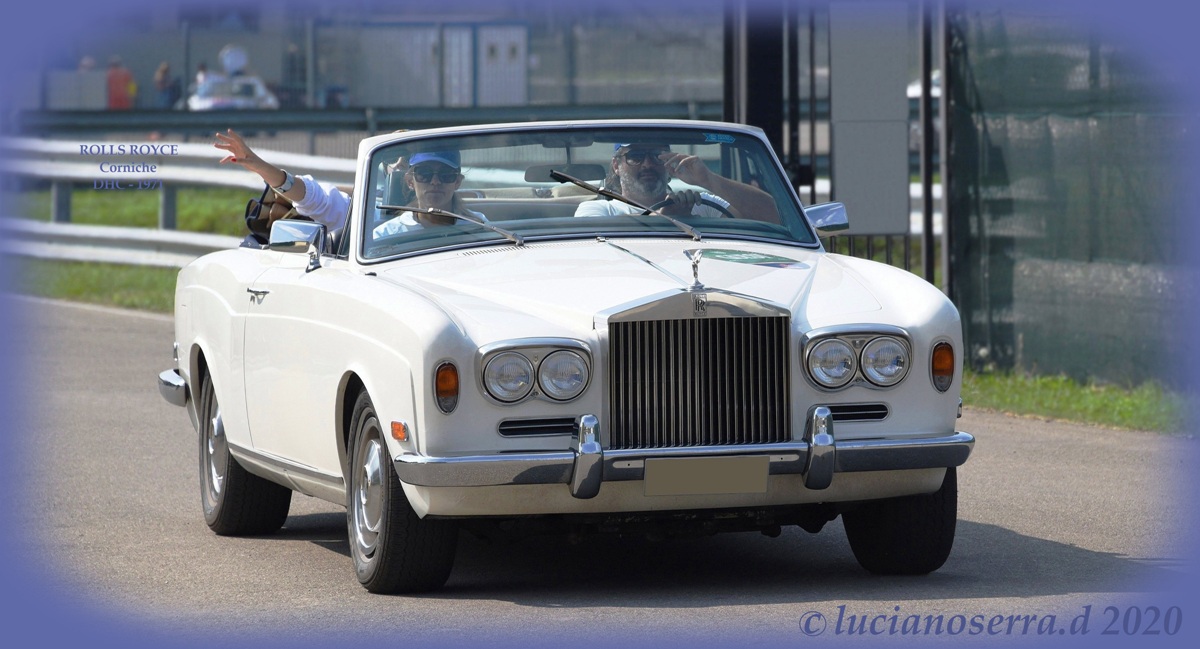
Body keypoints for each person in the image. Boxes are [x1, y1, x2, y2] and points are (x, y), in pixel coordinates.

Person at [214, 129, 482, 238]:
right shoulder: (370, 220)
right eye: (423, 173)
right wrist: (257, 163)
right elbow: (310, 195)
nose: (434, 182)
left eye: (445, 175)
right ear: (411, 179)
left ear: (456, 181)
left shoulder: (477, 223)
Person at [575, 143, 778, 223]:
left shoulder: (700, 204)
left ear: (668, 162)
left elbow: (775, 216)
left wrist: (708, 179)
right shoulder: (597, 210)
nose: (647, 164)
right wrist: (666, 220)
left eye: (656, 155)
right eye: (635, 156)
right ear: (616, 166)